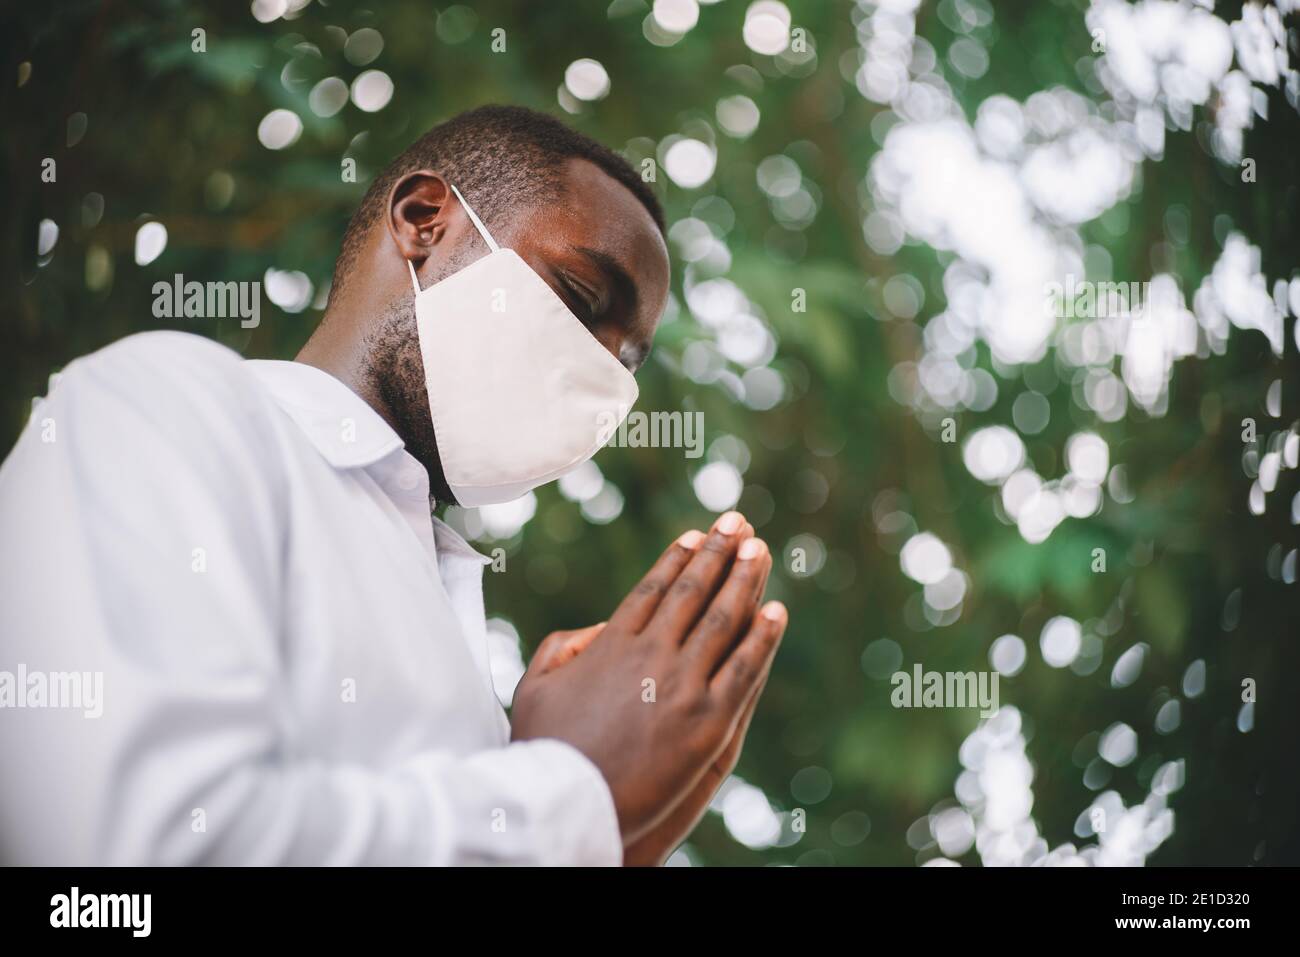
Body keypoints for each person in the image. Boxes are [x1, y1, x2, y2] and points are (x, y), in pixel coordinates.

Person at [0, 105, 787, 866]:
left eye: (625, 366)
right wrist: (570, 795)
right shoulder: (166, 405)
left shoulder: (465, 651)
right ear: (422, 221)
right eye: (581, 298)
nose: (603, 380)